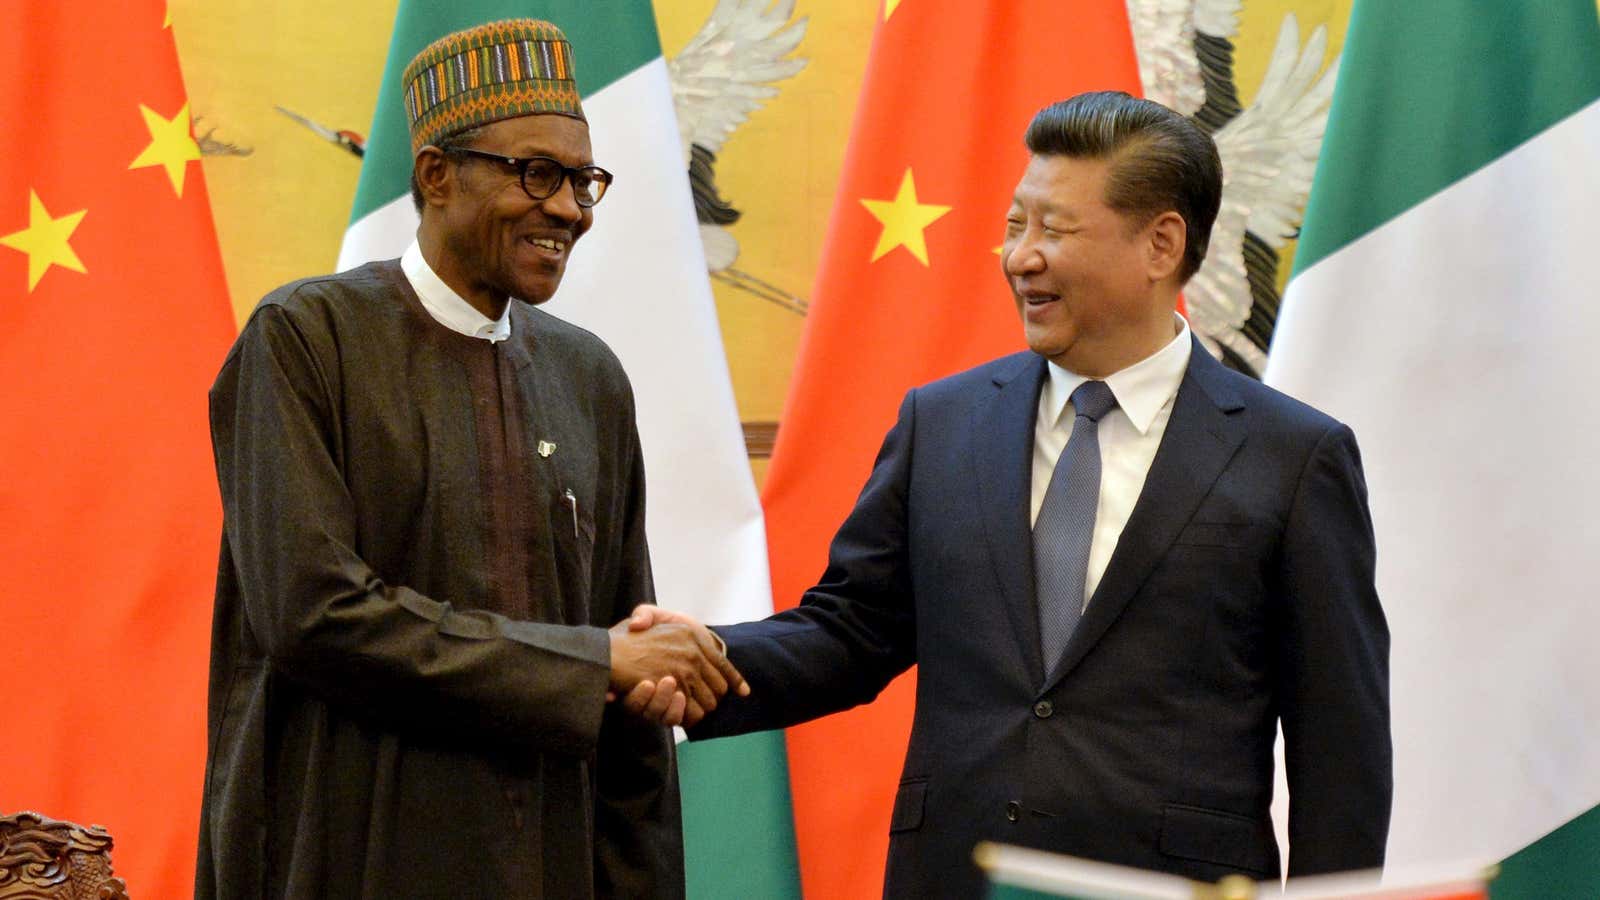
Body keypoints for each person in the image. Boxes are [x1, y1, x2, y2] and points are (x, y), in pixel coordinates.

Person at [626, 91, 1392, 897]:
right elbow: (850, 632)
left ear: (1162, 243)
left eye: (1053, 229)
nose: (1020, 256)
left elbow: (1340, 744)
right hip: (957, 876)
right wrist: (704, 658)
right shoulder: (943, 423)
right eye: (1016, 224)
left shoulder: (1293, 457)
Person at [197, 19, 741, 899]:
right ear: (436, 175)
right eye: (536, 173)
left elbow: (624, 659)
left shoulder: (588, 375)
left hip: (550, 855)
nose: (568, 208)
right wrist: (592, 664)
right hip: (350, 848)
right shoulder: (303, 339)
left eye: (583, 181)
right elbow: (315, 615)